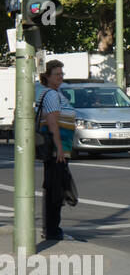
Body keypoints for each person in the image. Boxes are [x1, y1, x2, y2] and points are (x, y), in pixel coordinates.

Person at [36, 60, 72, 241]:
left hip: (56, 148)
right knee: (54, 189)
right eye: (57, 74)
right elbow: (52, 123)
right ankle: (52, 230)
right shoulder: (51, 95)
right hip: (55, 149)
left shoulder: (52, 93)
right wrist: (59, 149)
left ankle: (51, 228)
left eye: (62, 73)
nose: (61, 77)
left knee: (53, 187)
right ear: (47, 76)